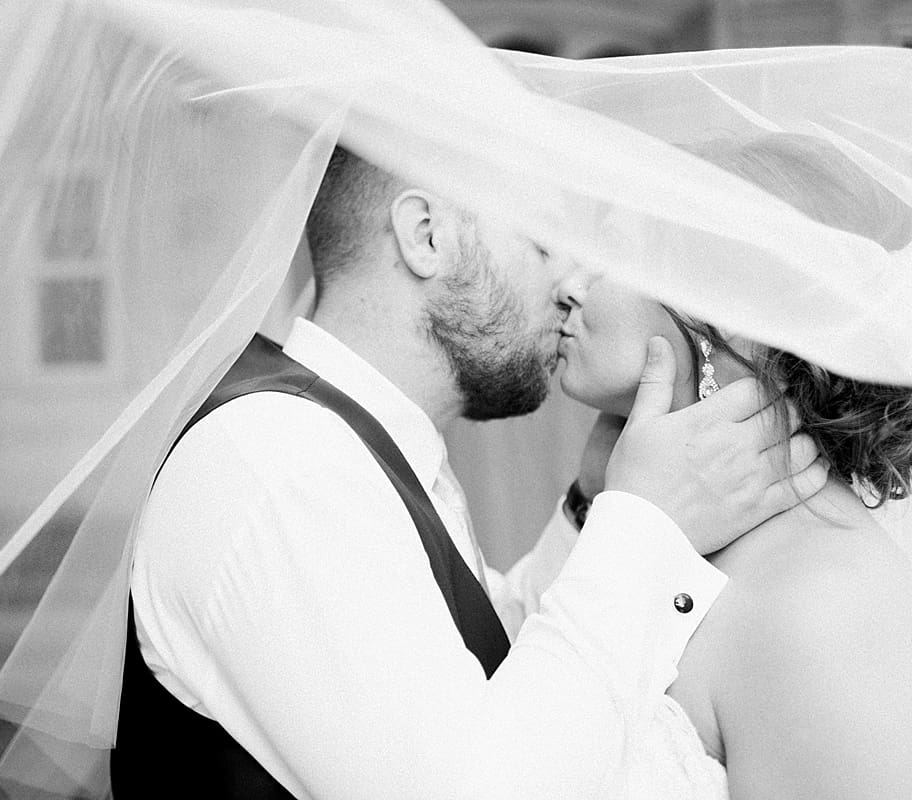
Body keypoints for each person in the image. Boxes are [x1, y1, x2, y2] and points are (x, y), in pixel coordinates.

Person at [111, 146, 827, 799]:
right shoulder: (285, 464)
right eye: (544, 243)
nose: (568, 286)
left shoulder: (347, 448)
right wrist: (647, 526)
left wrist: (592, 506)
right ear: (427, 236)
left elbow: (470, 674)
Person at [546, 132, 912, 798]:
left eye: (605, 252)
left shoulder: (820, 602)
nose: (565, 286)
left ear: (729, 303)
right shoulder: (656, 532)